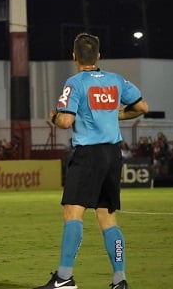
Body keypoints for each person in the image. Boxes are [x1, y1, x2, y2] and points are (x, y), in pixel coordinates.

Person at [34, 33, 149, 289]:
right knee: (108, 219)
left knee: (72, 213)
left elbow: (65, 121)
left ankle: (64, 278)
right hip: (112, 154)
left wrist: (53, 116)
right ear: (98, 56)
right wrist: (113, 116)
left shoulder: (75, 82)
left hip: (88, 155)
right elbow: (142, 107)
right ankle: (120, 279)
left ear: (74, 56)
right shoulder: (116, 80)